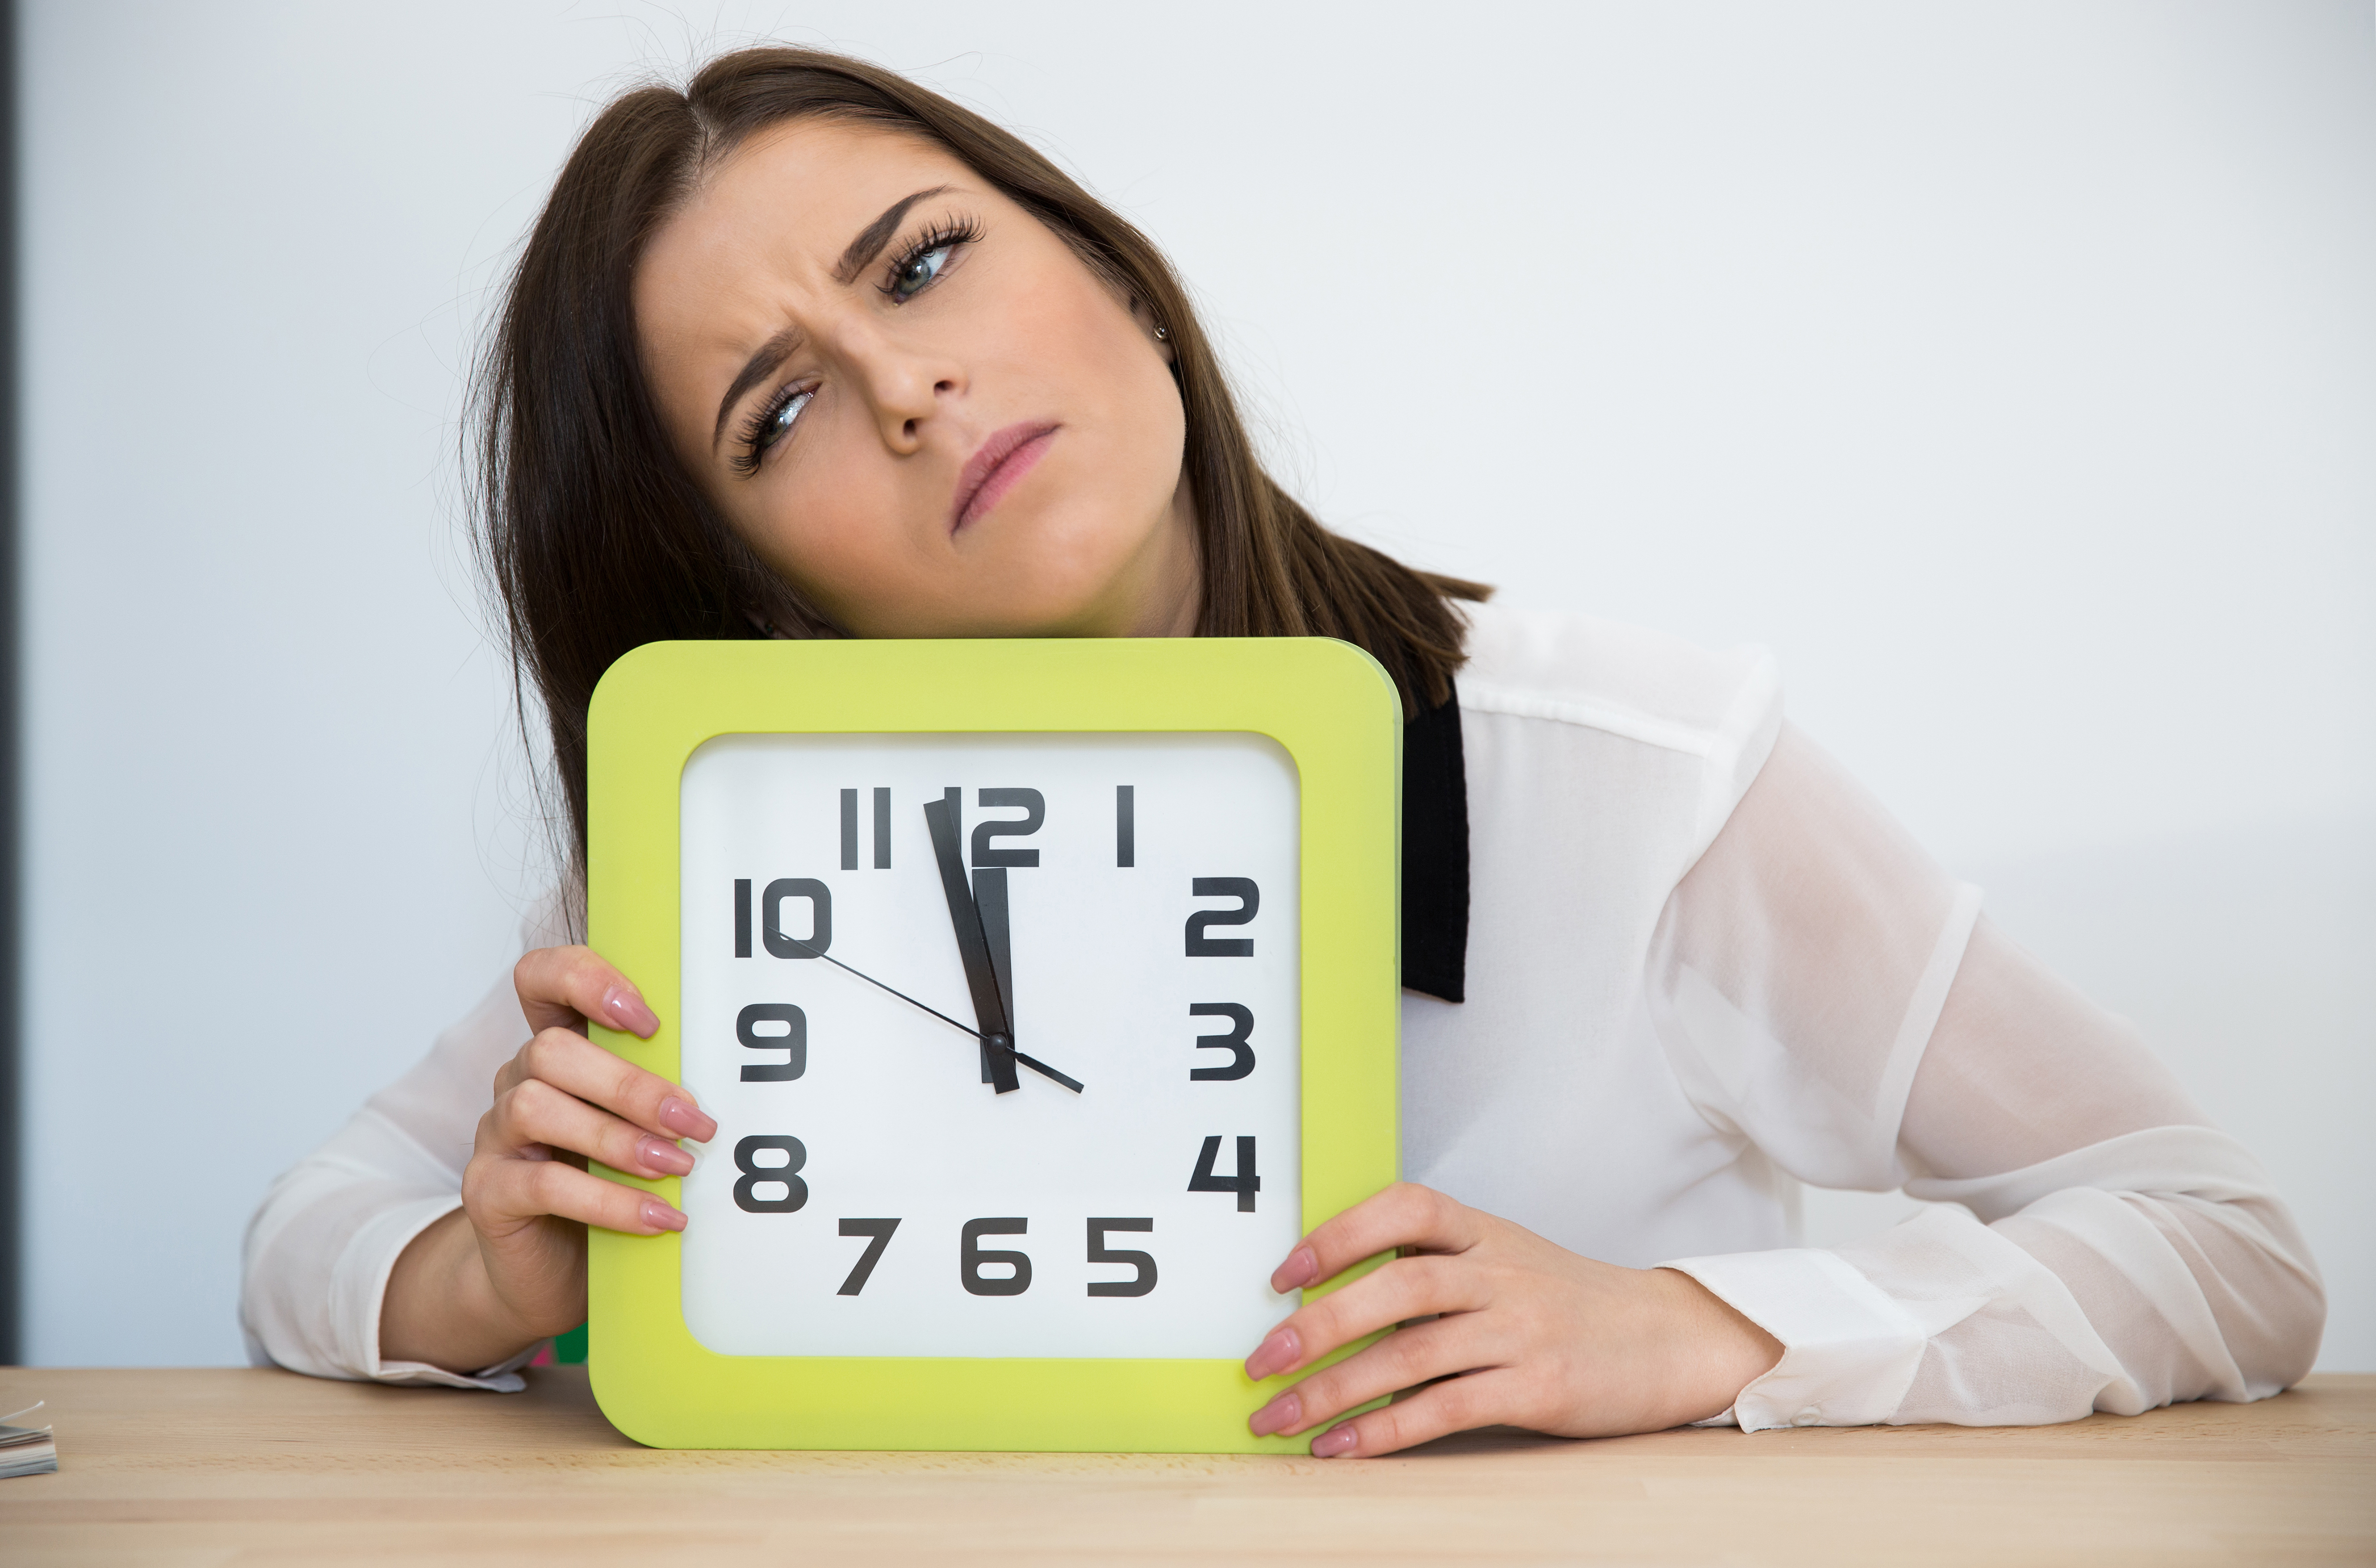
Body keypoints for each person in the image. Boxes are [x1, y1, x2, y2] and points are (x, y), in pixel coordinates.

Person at [239, 45, 2323, 1456]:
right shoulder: (722, 872)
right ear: (750, 591)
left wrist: (1694, 1328)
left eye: (927, 259)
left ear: (1122, 282)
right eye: (773, 414)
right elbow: (310, 1231)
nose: (907, 383)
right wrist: (473, 1273)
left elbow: (2222, 1243)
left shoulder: (1629, 773)